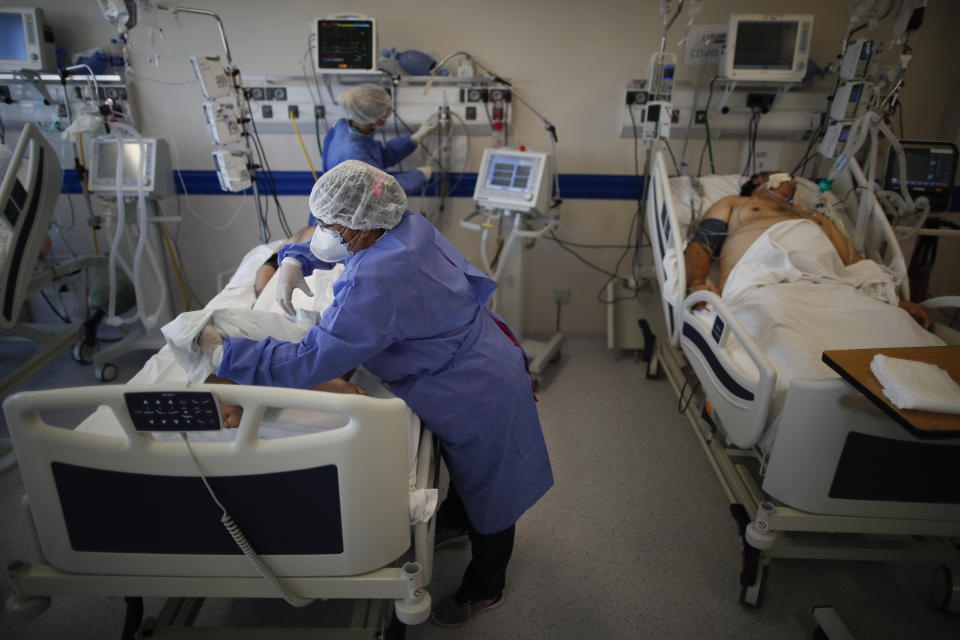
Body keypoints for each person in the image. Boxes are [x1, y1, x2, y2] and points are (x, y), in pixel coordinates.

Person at [199, 159, 553, 628]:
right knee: (463, 463)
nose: (322, 232)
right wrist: (295, 258)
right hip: (477, 349)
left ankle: (485, 587)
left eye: (328, 225)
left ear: (359, 226)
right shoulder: (403, 223)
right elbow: (338, 247)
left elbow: (310, 360)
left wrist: (229, 357)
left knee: (493, 488)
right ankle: (454, 521)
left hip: (475, 384)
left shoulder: (376, 281)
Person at [683, 171, 932, 329]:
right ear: (761, 181)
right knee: (781, 332)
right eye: (783, 179)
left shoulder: (815, 217)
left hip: (830, 284)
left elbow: (856, 265)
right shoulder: (738, 204)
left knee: (891, 326)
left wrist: (897, 301)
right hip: (763, 282)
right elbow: (704, 242)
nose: (792, 184)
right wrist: (697, 283)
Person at [322, 83, 436, 199]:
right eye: (386, 112)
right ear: (377, 118)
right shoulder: (354, 154)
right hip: (345, 213)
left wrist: (414, 139)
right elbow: (384, 189)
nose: (386, 115)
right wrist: (419, 175)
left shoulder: (343, 127)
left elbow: (380, 156)